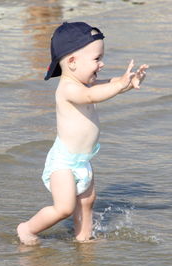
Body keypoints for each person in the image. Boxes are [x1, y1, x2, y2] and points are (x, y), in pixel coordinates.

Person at [17, 21, 148, 245]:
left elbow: (111, 83)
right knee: (64, 207)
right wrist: (118, 86)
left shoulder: (85, 83)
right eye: (97, 59)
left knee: (87, 201)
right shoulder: (69, 88)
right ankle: (27, 229)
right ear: (73, 62)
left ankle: (83, 237)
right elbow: (91, 97)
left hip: (83, 159)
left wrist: (127, 82)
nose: (102, 64)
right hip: (64, 162)